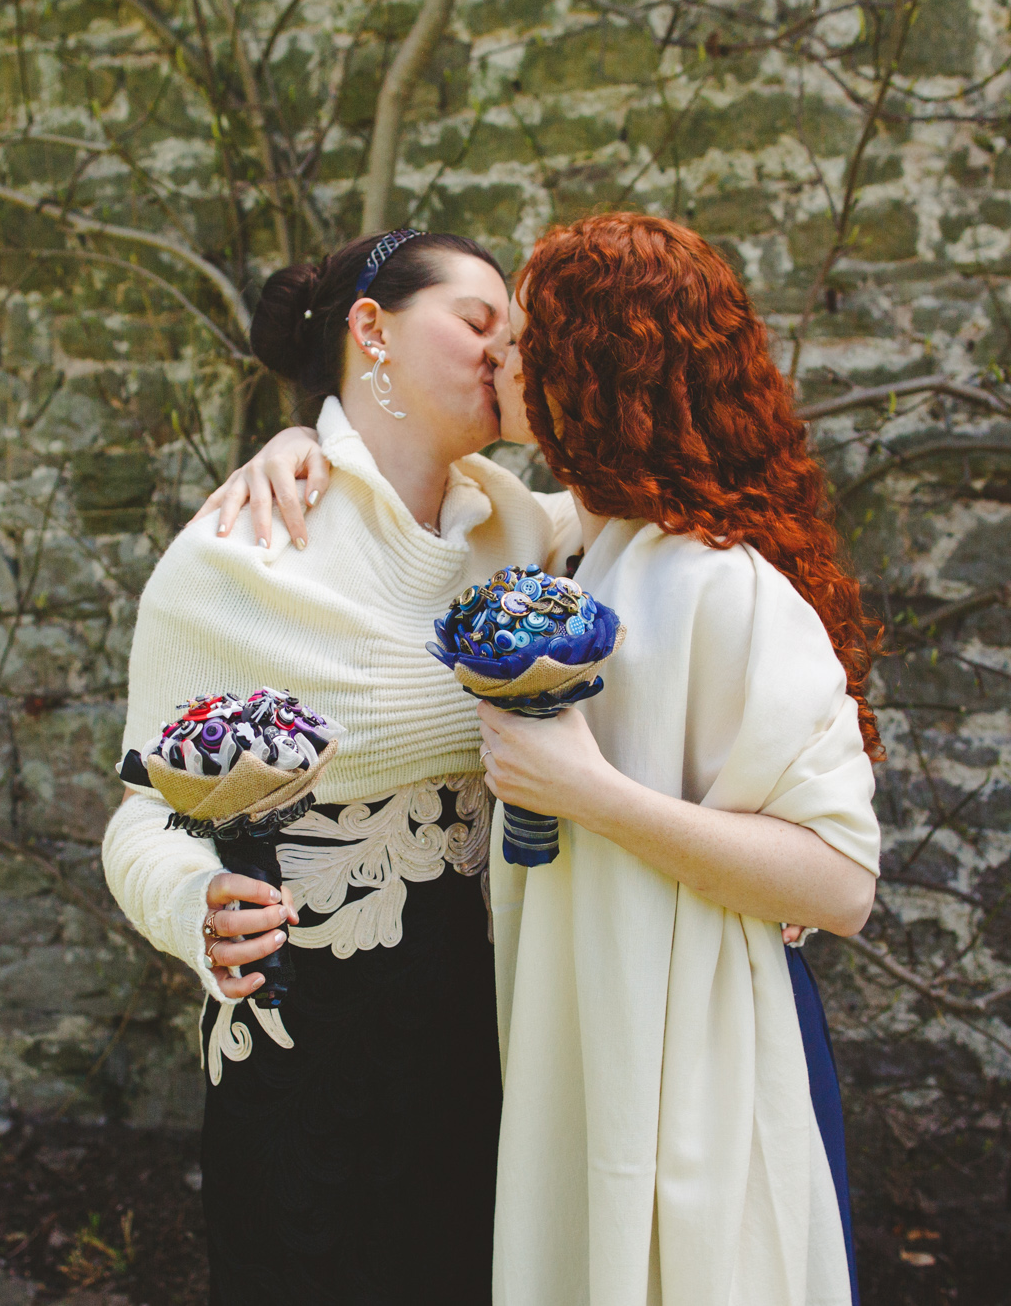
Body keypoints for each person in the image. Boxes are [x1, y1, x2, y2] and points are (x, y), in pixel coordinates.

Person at [201, 212, 881, 1306]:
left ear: (595, 369)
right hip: (571, 1043)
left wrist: (591, 794)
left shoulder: (724, 583)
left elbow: (840, 882)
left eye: (524, 340)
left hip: (697, 1058)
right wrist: (307, 443)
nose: (499, 358)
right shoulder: (569, 554)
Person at [100, 229, 576, 1305]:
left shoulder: (516, 526)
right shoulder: (239, 550)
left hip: (493, 1038)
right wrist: (191, 905)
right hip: (308, 1056)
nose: (505, 352)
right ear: (372, 328)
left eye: (514, 335)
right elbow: (145, 811)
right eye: (478, 322)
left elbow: (641, 508)